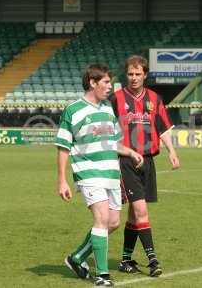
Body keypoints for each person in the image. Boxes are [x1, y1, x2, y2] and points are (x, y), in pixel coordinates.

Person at [56, 64, 144, 286]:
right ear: (92, 83)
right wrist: (62, 180)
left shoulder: (107, 108)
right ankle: (102, 275)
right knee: (102, 219)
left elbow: (114, 142)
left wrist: (131, 151)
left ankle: (76, 258)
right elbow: (63, 146)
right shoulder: (73, 110)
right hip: (88, 173)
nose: (110, 87)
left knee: (113, 222)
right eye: (106, 82)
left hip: (111, 174)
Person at [109, 55, 180, 277]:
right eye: (130, 74)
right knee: (141, 210)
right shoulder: (116, 99)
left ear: (145, 75)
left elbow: (164, 127)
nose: (134, 78)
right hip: (125, 161)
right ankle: (153, 260)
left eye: (138, 74)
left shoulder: (154, 98)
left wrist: (172, 151)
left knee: (133, 214)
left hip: (148, 161)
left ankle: (125, 260)